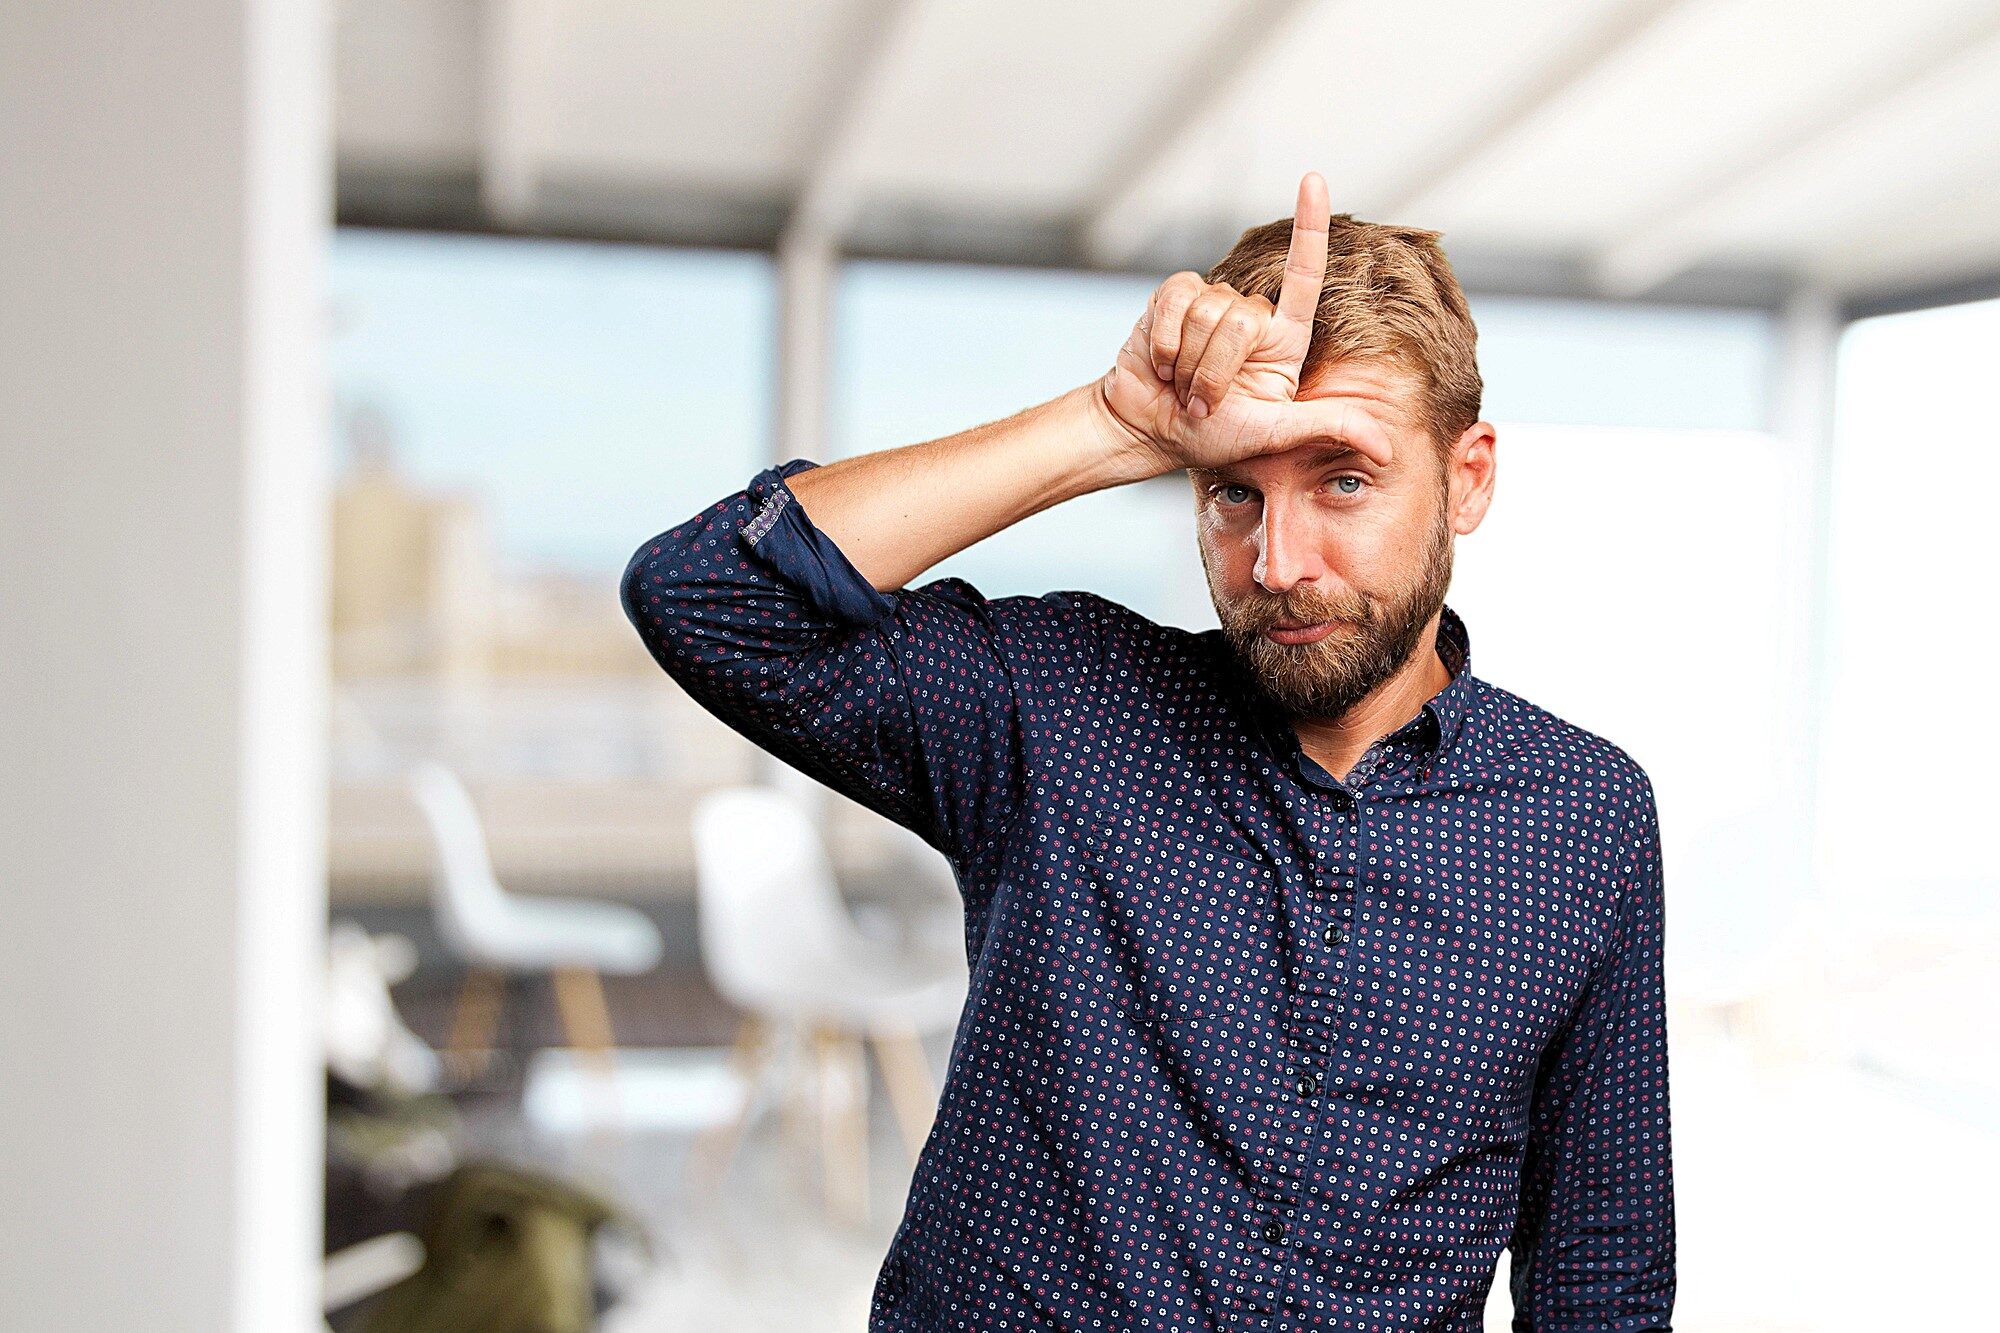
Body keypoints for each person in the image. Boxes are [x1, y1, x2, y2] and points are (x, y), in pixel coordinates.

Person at [621, 171, 1674, 1331]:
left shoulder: (1583, 813)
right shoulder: (1059, 703)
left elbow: (1600, 1275)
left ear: (1464, 478)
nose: (1277, 561)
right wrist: (1110, 423)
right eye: (1232, 492)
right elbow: (706, 595)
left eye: (1342, 479)